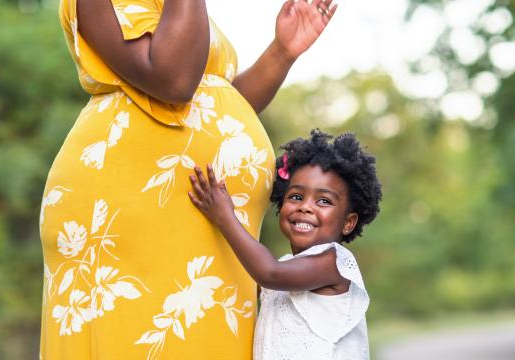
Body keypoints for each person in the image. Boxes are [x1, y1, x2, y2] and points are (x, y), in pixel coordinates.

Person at [40, 0, 338, 358]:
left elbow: (214, 107)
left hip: (202, 217)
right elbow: (174, 81)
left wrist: (281, 53)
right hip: (132, 202)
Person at [188, 129, 382, 360]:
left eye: (324, 201)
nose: (305, 207)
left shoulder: (334, 263)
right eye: (296, 197)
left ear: (348, 223)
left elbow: (269, 272)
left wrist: (225, 218)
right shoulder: (287, 270)